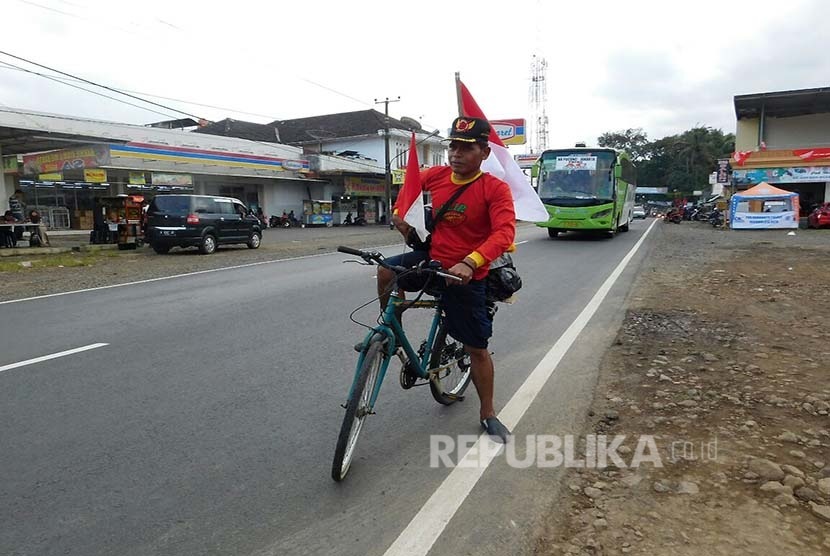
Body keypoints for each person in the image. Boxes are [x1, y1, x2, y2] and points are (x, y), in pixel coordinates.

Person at [377, 116, 516, 443]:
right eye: (452, 145)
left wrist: (471, 262)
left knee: (477, 348)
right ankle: (388, 329)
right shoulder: (436, 176)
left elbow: (504, 233)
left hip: (467, 275)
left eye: (466, 148)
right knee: (385, 271)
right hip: (432, 260)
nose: (456, 153)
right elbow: (408, 189)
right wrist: (401, 215)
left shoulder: (494, 188)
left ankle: (488, 413)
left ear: (483, 152)